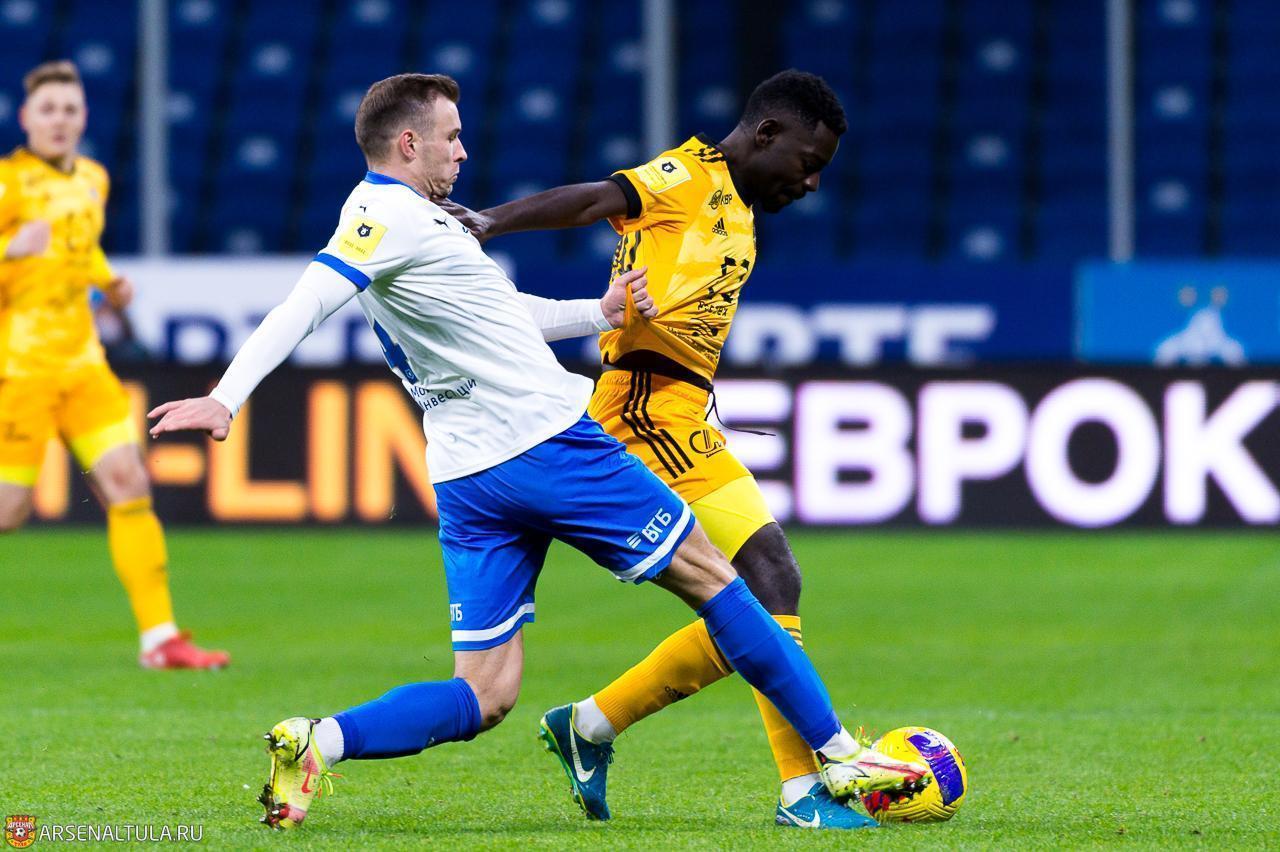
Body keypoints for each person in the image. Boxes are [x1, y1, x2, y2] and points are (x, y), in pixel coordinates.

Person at [146, 72, 927, 831]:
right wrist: (227, 396)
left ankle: (320, 739)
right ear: (409, 143)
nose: (463, 152)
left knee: (485, 694)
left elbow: (499, 312)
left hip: (467, 477)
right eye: (451, 137)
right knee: (724, 582)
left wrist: (599, 312)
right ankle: (836, 758)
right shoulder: (385, 217)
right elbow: (309, 299)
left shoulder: (422, 227)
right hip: (548, 444)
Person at [438, 69, 864, 829]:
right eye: (807, 163)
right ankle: (804, 791)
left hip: (682, 414)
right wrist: (490, 222)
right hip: (642, 408)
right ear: (766, 133)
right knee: (765, 578)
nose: (811, 183)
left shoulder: (736, 203)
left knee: (767, 587)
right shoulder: (687, 175)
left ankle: (591, 724)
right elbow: (597, 199)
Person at [0, 60, 227, 670]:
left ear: (83, 119)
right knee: (8, 512)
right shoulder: (7, 184)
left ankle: (161, 640)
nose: (59, 120)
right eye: (48, 109)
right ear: (25, 118)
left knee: (129, 483)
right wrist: (7, 249)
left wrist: (110, 283)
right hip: (20, 372)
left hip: (83, 366)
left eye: (70, 109)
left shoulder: (93, 179)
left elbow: (81, 251)